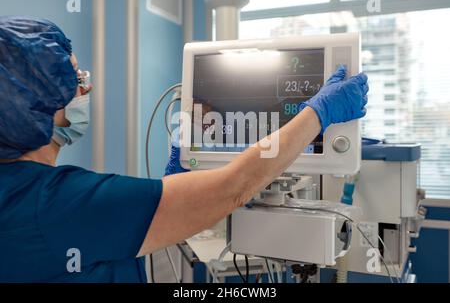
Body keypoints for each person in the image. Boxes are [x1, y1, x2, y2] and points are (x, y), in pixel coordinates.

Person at [0, 16, 369, 283]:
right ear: (38, 103)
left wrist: (173, 191)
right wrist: (317, 114)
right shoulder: (59, 204)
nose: (87, 90)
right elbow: (233, 186)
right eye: (77, 79)